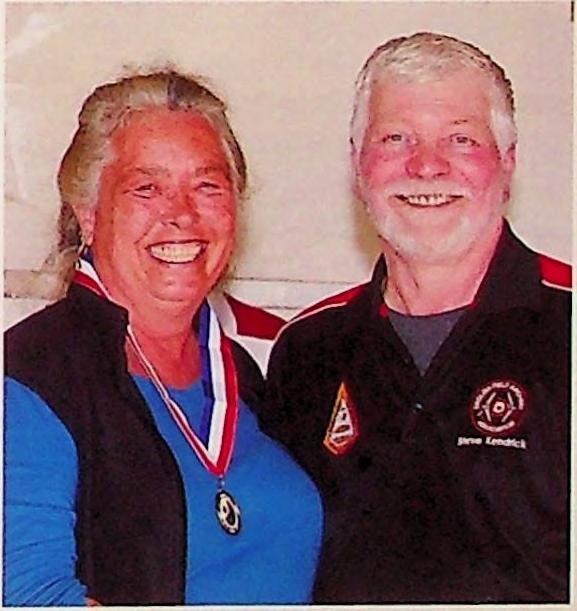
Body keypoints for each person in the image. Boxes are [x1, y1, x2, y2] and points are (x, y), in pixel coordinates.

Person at [264, 32, 570, 604]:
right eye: (395, 138)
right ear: (358, 166)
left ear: (507, 164)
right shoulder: (306, 351)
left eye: (460, 138)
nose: (426, 166)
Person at [4, 70, 323, 606]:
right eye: (147, 188)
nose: (181, 214)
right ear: (88, 213)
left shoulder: (244, 376)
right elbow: (31, 597)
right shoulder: (31, 376)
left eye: (207, 186)